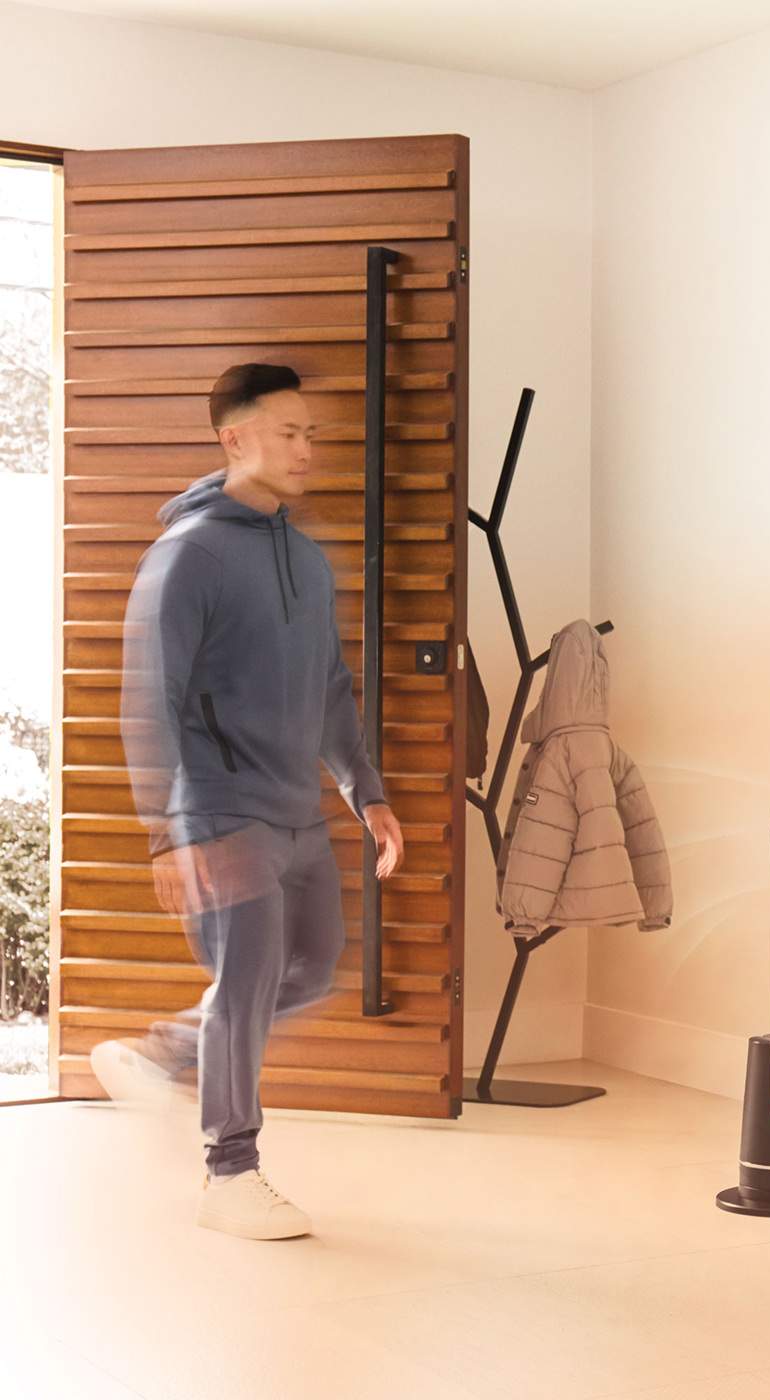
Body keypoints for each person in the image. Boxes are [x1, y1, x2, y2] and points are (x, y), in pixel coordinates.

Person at [92, 362, 405, 1241]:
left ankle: (163, 1053)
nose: (308, 448)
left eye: (312, 433)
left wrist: (366, 792)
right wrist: (168, 834)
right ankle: (230, 1171)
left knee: (311, 967)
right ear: (235, 438)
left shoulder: (303, 555)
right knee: (249, 977)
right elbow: (150, 698)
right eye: (289, 431)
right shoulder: (187, 555)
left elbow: (333, 685)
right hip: (223, 811)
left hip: (299, 809)